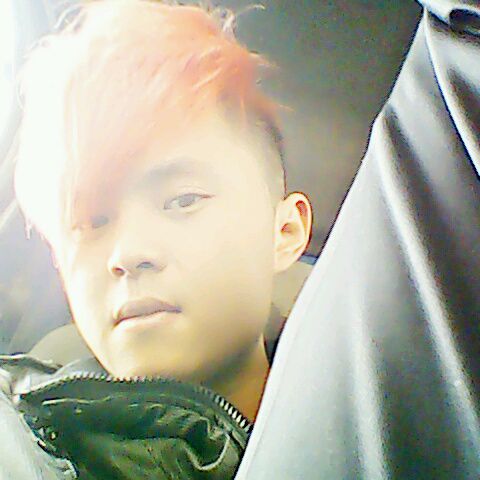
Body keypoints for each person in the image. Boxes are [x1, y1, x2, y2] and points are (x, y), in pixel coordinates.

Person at [0, 1, 312, 478]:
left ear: (284, 232)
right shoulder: (27, 441)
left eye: (183, 200)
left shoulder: (386, 408)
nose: (127, 254)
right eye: (91, 222)